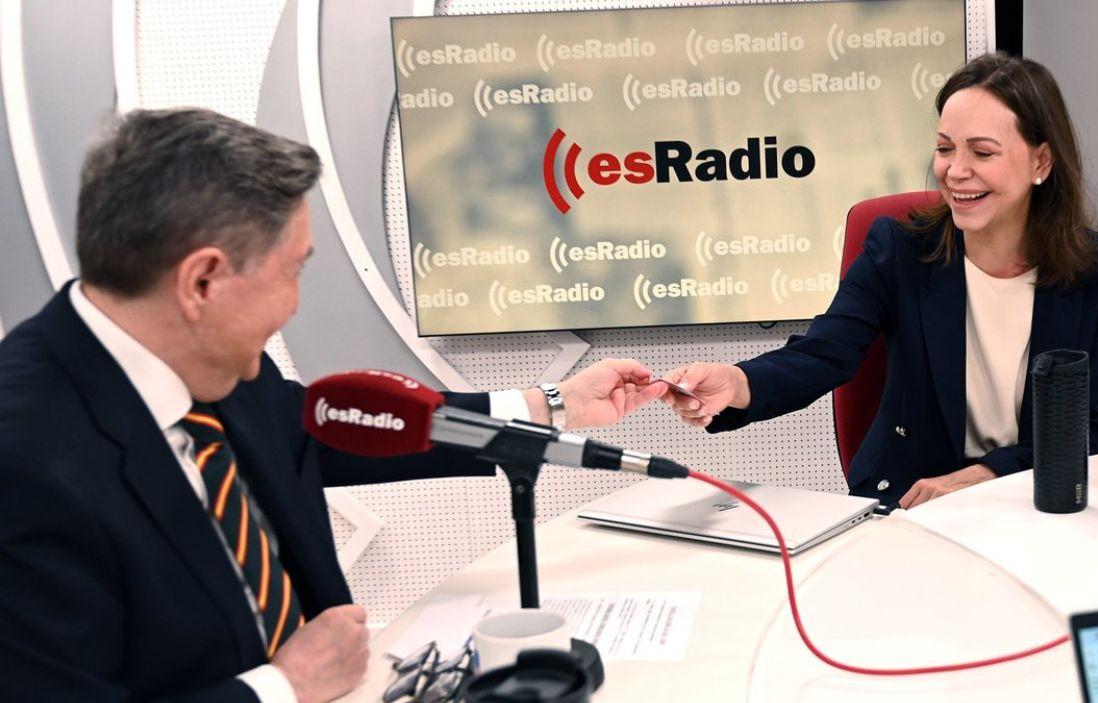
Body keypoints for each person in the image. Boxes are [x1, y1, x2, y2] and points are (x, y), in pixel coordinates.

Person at [0, 108, 665, 703]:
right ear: (202, 280)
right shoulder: (23, 460)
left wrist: (551, 405)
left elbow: (324, 430)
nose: (294, 303)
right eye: (293, 271)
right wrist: (281, 687)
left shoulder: (209, 359)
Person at [660, 53, 1098, 509]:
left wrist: (989, 475)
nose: (956, 170)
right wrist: (738, 382)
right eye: (945, 148)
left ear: (1041, 163)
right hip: (910, 501)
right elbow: (825, 353)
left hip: (1038, 500)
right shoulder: (900, 250)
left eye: (982, 152)